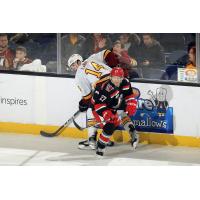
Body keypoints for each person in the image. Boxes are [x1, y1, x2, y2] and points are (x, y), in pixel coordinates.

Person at [67, 53, 115, 150]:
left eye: (73, 65)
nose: (74, 68)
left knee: (90, 110)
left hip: (103, 87)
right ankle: (104, 138)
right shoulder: (92, 59)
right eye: (72, 67)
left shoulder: (79, 74)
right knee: (104, 112)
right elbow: (106, 58)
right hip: (116, 82)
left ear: (78, 61)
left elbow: (87, 96)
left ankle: (91, 140)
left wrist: (82, 104)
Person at [91, 67, 139, 156]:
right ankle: (100, 147)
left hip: (113, 103)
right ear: (110, 77)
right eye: (115, 77)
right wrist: (107, 114)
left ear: (122, 78)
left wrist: (131, 103)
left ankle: (132, 131)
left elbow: (128, 95)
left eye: (119, 78)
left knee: (123, 113)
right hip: (98, 107)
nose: (117, 80)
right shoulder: (105, 88)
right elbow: (98, 104)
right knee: (110, 126)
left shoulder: (125, 82)